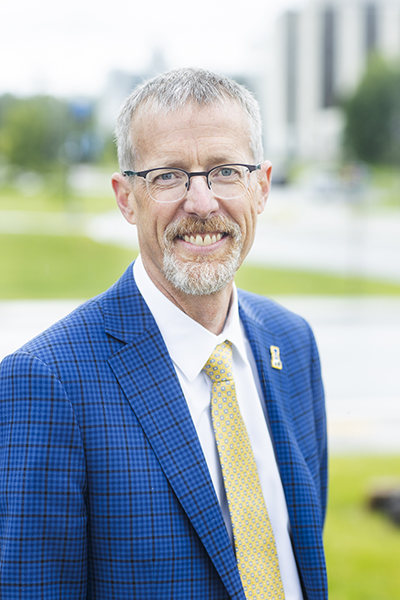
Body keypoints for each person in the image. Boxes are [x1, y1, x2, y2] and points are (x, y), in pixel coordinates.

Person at [0, 68, 328, 599]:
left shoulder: (292, 344)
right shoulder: (46, 384)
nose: (201, 203)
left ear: (261, 186)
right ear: (127, 197)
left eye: (224, 171)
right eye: (169, 176)